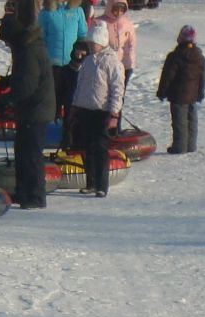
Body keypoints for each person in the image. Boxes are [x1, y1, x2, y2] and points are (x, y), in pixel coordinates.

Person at [0, 0, 55, 209]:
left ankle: (35, 195)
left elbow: (27, 86)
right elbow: (24, 78)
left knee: (31, 155)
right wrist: (9, 82)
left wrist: (5, 99)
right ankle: (23, 191)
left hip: (36, 110)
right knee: (22, 152)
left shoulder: (28, 50)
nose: (7, 45)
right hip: (31, 109)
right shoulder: (26, 47)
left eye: (7, 41)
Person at [70, 21, 123, 197]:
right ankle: (91, 182)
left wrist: (114, 113)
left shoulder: (112, 61)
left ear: (101, 42)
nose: (91, 46)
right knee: (88, 147)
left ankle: (101, 185)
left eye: (94, 43)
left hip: (102, 111)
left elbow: (117, 88)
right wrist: (75, 105)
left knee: (100, 148)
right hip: (86, 109)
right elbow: (80, 84)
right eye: (90, 43)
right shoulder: (87, 61)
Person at [157, 25, 205, 154]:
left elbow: (167, 76)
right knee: (192, 120)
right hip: (193, 94)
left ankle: (180, 147)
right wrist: (200, 92)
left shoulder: (175, 56)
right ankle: (191, 145)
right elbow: (202, 77)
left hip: (178, 95)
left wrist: (162, 91)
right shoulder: (199, 56)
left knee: (180, 122)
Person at [38, 0, 87, 118]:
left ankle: (68, 132)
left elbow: (82, 35)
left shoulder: (78, 11)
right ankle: (52, 128)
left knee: (71, 100)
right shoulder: (46, 13)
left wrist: (81, 51)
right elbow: (40, 38)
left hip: (73, 65)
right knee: (54, 100)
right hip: (52, 66)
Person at [97, 0, 135, 91]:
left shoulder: (127, 23)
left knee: (119, 94)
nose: (119, 13)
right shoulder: (100, 22)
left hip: (123, 65)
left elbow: (132, 45)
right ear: (110, 8)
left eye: (122, 10)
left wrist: (129, 64)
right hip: (105, 66)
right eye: (116, 10)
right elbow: (95, 44)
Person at [58, 38, 88, 148]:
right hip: (69, 105)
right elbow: (60, 89)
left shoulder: (89, 70)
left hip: (84, 106)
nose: (79, 55)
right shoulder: (66, 70)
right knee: (68, 128)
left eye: (82, 52)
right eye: (77, 51)